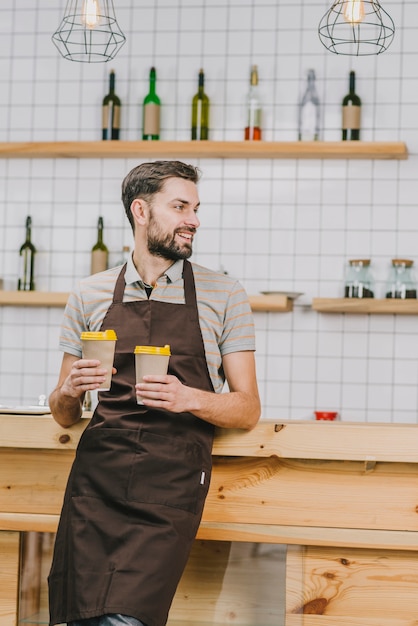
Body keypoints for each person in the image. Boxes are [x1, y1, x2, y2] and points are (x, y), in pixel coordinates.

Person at [48, 160, 261, 626]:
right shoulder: (90, 294)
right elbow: (64, 414)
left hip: (169, 487)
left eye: (196, 208)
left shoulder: (223, 294)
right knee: (80, 617)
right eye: (180, 206)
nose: (194, 220)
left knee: (126, 618)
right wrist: (67, 390)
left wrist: (191, 398)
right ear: (140, 211)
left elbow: (247, 407)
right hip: (96, 483)